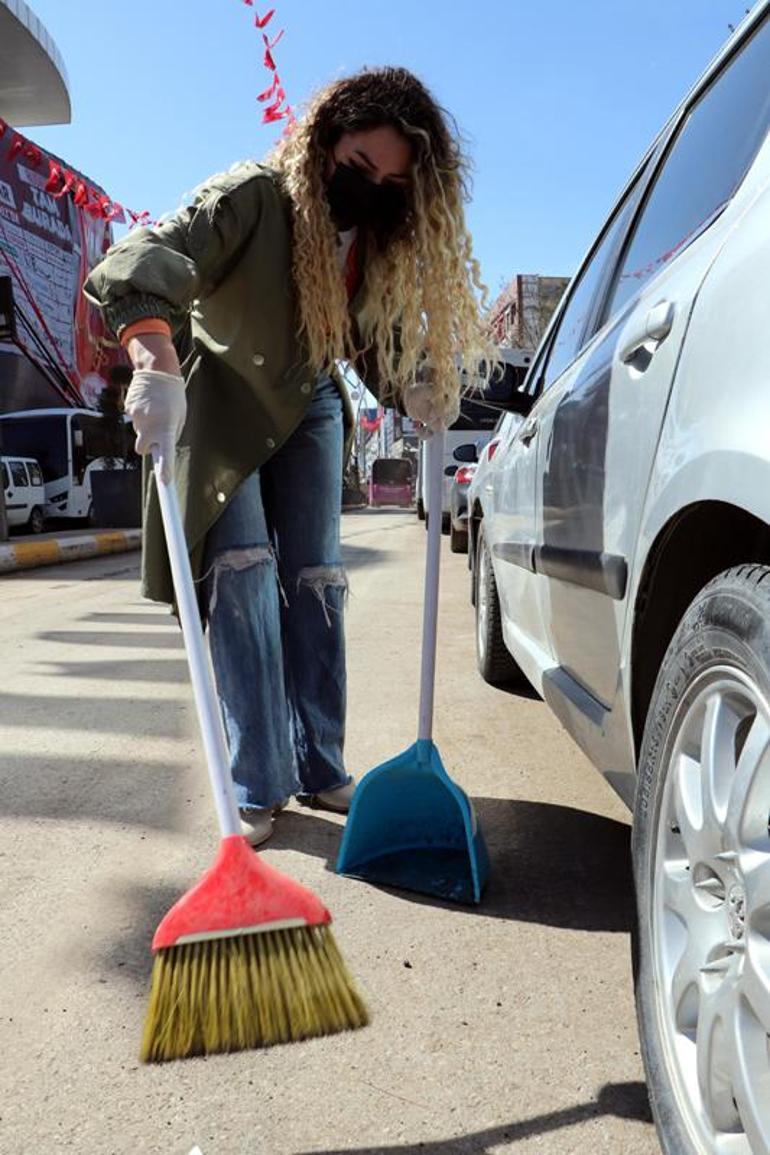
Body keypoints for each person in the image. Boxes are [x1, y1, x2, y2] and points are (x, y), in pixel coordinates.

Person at [83, 66, 493, 846]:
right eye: (359, 167)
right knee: (242, 577)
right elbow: (144, 258)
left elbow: (375, 341)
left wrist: (417, 386)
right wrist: (154, 362)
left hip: (311, 404)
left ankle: (323, 765)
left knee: (318, 579)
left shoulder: (370, 246)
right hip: (220, 398)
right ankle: (257, 780)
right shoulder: (256, 195)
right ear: (327, 141)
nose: (369, 189)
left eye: (391, 183)